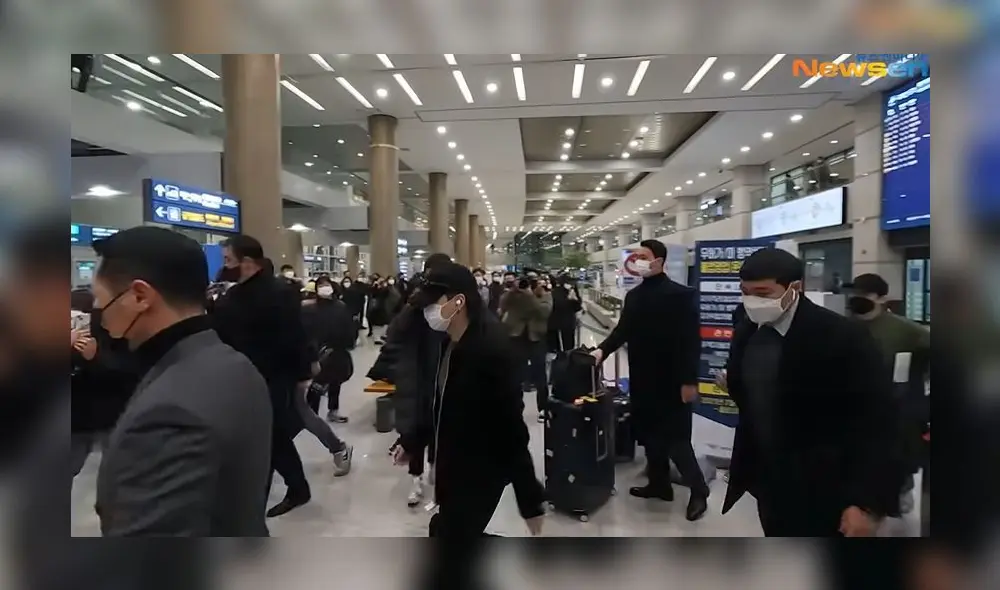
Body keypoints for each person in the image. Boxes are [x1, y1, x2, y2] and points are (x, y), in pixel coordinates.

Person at [90, 227, 272, 536]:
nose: (97, 310)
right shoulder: (235, 365)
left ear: (140, 296)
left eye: (100, 298)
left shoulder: (169, 410)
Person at [719, 248, 899, 536]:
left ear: (795, 289)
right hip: (769, 479)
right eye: (746, 292)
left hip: (827, 485)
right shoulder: (747, 328)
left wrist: (864, 501)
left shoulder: (841, 336)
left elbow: (875, 421)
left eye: (763, 293)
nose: (753, 301)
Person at [394, 262, 546, 537]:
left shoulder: (491, 350)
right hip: (453, 464)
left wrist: (530, 501)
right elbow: (441, 402)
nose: (428, 312)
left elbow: (511, 429)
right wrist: (414, 441)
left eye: (434, 303)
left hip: (479, 473)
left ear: (458, 301)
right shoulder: (450, 340)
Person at [590, 239, 710, 521]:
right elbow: (622, 331)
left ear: (659, 261)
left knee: (677, 441)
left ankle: (699, 490)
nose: (637, 260)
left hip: (673, 380)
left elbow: (691, 341)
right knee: (650, 436)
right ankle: (659, 485)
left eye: (643, 256)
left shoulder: (681, 295)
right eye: (635, 256)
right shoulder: (635, 296)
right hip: (643, 378)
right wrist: (601, 351)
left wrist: (689, 380)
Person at [212, 235, 315, 518]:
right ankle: (293, 488)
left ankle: (272, 496)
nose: (225, 266)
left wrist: (302, 372)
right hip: (242, 374)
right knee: (270, 435)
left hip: (273, 375)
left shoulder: (278, 292)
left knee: (271, 434)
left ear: (247, 262)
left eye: (228, 260)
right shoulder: (233, 294)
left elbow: (294, 335)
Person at [368, 252, 451, 507]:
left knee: (438, 428)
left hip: (444, 376)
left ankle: (434, 475)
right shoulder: (416, 304)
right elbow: (396, 335)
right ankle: (417, 479)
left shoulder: (456, 303)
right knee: (418, 428)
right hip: (419, 377)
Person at [845, 272, 931, 515]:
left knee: (895, 456)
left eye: (865, 295)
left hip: (893, 405)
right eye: (855, 294)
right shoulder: (842, 326)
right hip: (855, 405)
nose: (858, 299)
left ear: (882, 298)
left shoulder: (905, 330)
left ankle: (901, 487)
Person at [71, 288, 138, 477]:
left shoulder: (121, 329)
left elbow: (128, 368)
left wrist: (95, 357)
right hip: (77, 415)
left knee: (119, 471)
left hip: (111, 410)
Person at [499, 275, 553, 421]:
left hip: (536, 338)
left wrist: (530, 296)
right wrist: (512, 291)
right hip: (516, 337)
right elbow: (502, 306)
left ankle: (544, 408)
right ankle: (515, 408)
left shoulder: (544, 295)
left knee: (540, 375)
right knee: (515, 375)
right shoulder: (513, 295)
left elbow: (544, 313)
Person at [306, 276, 358, 425]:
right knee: (316, 383)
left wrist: (348, 342)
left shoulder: (340, 306)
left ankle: (333, 410)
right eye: (321, 285)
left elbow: (348, 327)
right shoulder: (310, 308)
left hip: (337, 349)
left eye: (326, 285)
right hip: (317, 350)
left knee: (336, 381)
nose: (324, 288)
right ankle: (312, 414)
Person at [547, 275, 582, 354]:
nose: (572, 285)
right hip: (559, 326)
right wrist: (571, 300)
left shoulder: (572, 292)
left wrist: (575, 299)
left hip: (566, 326)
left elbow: (578, 307)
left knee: (566, 348)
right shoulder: (556, 293)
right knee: (562, 349)